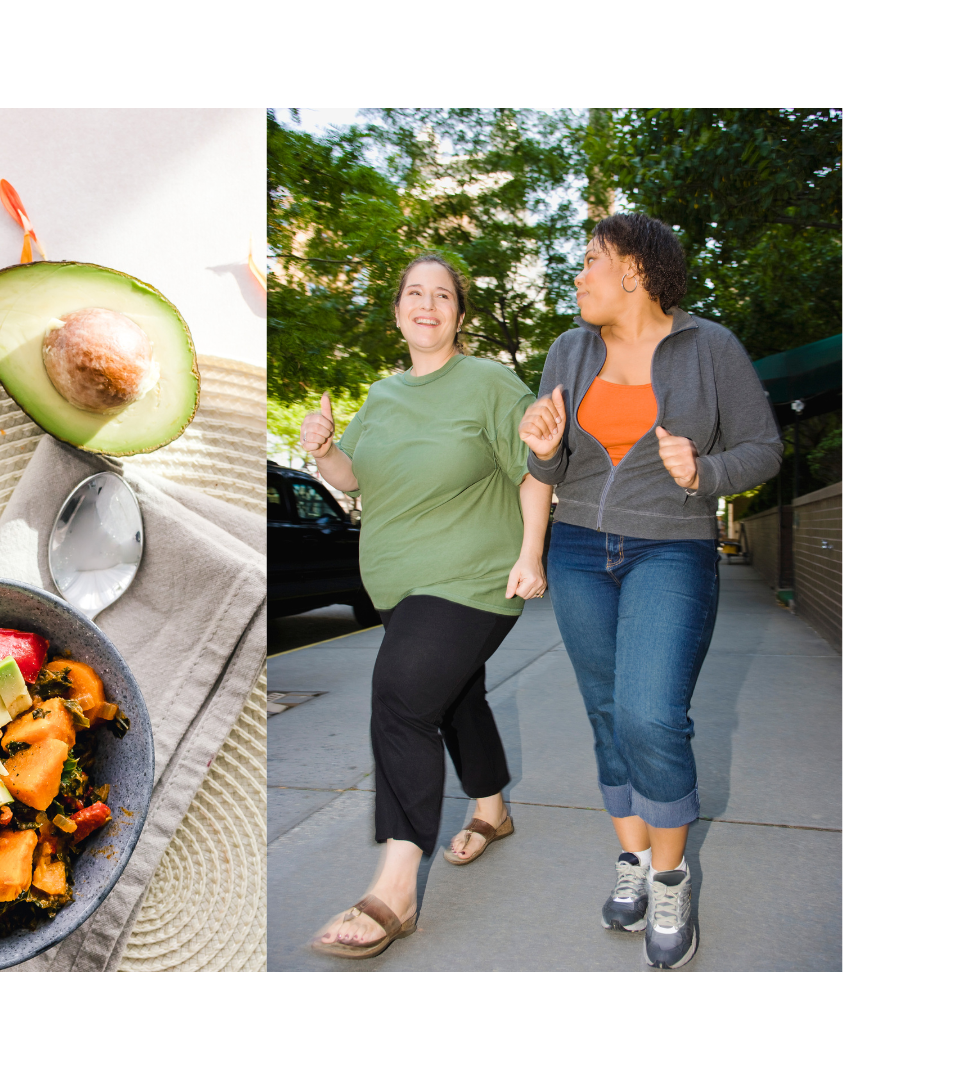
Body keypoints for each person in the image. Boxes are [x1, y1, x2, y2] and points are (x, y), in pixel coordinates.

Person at [519, 213, 781, 969]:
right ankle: (632, 860)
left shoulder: (711, 348)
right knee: (607, 713)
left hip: (671, 546)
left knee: (651, 714)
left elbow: (764, 445)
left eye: (591, 261)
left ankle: (671, 875)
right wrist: (541, 450)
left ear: (633, 270)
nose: (579, 275)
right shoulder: (568, 351)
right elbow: (547, 469)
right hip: (576, 551)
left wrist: (706, 472)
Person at [301, 255, 553, 959]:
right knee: (455, 697)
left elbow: (535, 465)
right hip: (399, 587)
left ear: (459, 315)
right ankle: (492, 807)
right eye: (415, 293)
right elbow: (357, 476)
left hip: (473, 578)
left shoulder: (491, 384)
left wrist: (532, 553)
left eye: (443, 294)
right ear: (398, 312)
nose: (428, 304)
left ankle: (397, 882)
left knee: (403, 699)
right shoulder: (381, 395)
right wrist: (323, 451)